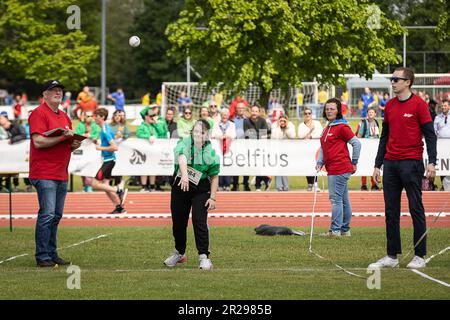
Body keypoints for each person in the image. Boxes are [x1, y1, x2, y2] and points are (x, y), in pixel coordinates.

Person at [370, 67, 437, 269]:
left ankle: (420, 256)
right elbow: (384, 137)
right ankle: (392, 256)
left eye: (396, 79)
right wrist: (377, 164)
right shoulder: (389, 106)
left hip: (412, 163)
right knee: (391, 211)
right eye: (392, 79)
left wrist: (432, 162)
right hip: (390, 164)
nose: (392, 82)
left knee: (416, 208)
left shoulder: (419, 105)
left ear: (407, 82)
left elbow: (430, 135)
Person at [28, 80, 82, 267]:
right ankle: (42, 256)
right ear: (44, 95)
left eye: (60, 90)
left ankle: (51, 253)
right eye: (53, 90)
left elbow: (65, 145)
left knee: (56, 215)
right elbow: (38, 142)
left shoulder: (65, 117)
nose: (58, 93)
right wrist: (62, 137)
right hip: (44, 172)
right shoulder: (38, 113)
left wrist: (74, 143)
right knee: (48, 214)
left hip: (60, 172)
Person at [164, 119, 220, 270]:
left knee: (198, 220)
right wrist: (184, 175)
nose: (197, 134)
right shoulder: (184, 142)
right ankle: (179, 252)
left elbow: (214, 176)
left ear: (207, 134)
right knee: (178, 222)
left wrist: (212, 197)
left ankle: (204, 256)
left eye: (201, 132)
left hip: (201, 188)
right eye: (195, 131)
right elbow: (182, 157)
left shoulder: (211, 153)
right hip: (181, 184)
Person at [316, 98, 361, 237]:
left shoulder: (342, 127)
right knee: (343, 200)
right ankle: (345, 230)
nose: (329, 111)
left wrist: (354, 162)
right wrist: (320, 162)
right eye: (327, 109)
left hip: (340, 168)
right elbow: (324, 147)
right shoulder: (328, 127)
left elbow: (356, 143)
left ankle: (335, 230)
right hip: (333, 168)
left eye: (332, 109)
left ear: (338, 110)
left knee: (336, 200)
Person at [90, 108, 128, 214]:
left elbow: (115, 147)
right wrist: (97, 143)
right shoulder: (105, 129)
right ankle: (119, 208)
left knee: (94, 184)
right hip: (108, 160)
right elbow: (108, 143)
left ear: (102, 117)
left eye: (96, 116)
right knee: (106, 187)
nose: (94, 118)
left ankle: (119, 190)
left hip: (109, 161)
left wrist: (100, 148)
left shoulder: (105, 129)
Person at [244, 105, 271, 191]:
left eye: (256, 111)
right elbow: (247, 134)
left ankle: (258, 186)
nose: (254, 113)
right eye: (253, 111)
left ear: (259, 112)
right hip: (250, 148)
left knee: (259, 166)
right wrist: (256, 134)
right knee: (253, 167)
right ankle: (266, 179)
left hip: (261, 147)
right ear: (250, 112)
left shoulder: (262, 121)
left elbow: (264, 135)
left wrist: (254, 134)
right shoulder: (246, 121)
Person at [298, 106, 323, 191]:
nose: (307, 115)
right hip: (305, 149)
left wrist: (311, 136)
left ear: (311, 114)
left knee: (316, 166)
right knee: (307, 166)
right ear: (303, 115)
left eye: (309, 113)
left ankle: (316, 184)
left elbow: (320, 134)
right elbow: (300, 136)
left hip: (315, 149)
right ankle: (309, 184)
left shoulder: (317, 123)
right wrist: (310, 131)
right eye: (305, 113)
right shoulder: (301, 125)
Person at [75, 110, 101, 192]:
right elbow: (77, 134)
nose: (89, 118)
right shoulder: (80, 125)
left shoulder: (95, 125)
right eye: (87, 116)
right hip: (83, 151)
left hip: (92, 151)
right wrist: (83, 135)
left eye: (90, 116)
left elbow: (97, 134)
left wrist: (90, 136)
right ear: (84, 117)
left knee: (90, 167)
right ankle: (84, 185)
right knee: (82, 168)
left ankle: (89, 185)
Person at [356, 107, 380, 191]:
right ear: (367, 114)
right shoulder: (364, 123)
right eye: (369, 112)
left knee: (373, 165)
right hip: (365, 147)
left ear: (375, 114)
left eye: (372, 113)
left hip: (373, 148)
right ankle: (363, 185)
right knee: (364, 165)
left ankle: (374, 184)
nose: (370, 114)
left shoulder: (376, 122)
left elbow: (377, 135)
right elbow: (359, 135)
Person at [211, 108, 236, 191]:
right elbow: (213, 134)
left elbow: (234, 135)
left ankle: (228, 184)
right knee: (219, 165)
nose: (224, 116)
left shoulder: (232, 125)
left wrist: (227, 136)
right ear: (220, 116)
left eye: (226, 115)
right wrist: (219, 136)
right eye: (223, 115)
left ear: (228, 116)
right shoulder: (216, 124)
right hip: (218, 147)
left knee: (228, 165)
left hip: (229, 148)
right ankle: (220, 184)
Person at [271, 115, 295, 191]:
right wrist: (279, 127)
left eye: (284, 121)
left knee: (284, 168)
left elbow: (292, 136)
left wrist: (286, 128)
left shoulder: (290, 125)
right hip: (277, 149)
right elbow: (274, 136)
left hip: (287, 150)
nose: (282, 122)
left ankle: (286, 185)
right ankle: (279, 186)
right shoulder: (274, 126)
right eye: (281, 120)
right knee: (278, 168)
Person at [231, 102, 250, 191]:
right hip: (235, 146)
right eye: (238, 108)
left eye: (242, 108)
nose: (240, 110)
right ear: (236, 109)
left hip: (245, 146)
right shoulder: (232, 120)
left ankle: (246, 184)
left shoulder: (248, 120)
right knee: (236, 165)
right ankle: (235, 184)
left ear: (245, 109)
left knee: (246, 166)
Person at [109, 110, 131, 187]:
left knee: (119, 165)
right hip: (111, 149)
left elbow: (128, 134)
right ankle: (109, 182)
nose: (117, 117)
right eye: (116, 115)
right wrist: (113, 136)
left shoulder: (123, 125)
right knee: (111, 164)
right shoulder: (110, 125)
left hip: (121, 150)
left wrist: (122, 136)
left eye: (119, 115)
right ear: (113, 116)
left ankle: (118, 183)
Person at [434, 100, 450, 190]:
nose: (443, 107)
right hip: (441, 145)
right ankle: (444, 184)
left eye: (445, 106)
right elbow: (434, 131)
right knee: (442, 165)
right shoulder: (437, 118)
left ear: (449, 107)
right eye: (442, 106)